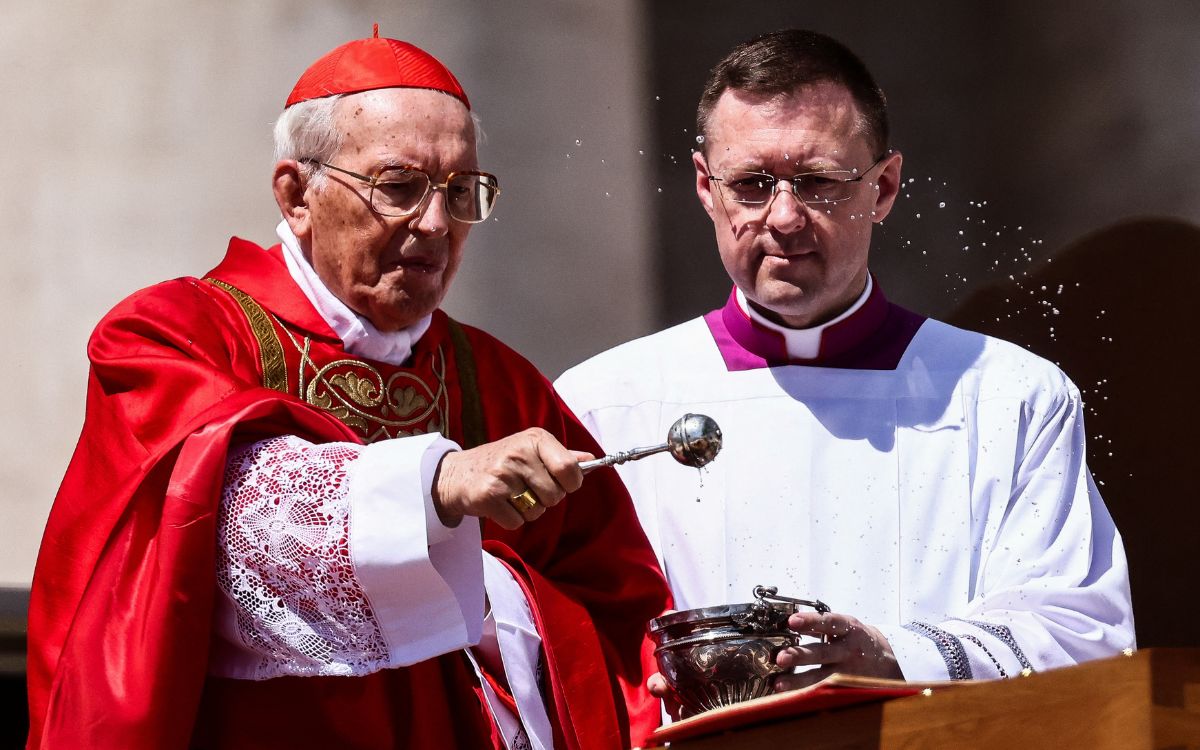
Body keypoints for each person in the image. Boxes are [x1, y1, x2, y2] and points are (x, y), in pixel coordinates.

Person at [27, 32, 670, 749]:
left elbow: (614, 607)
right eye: (399, 187)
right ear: (297, 194)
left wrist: (496, 603)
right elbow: (199, 534)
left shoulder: (497, 380)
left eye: (462, 193)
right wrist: (434, 488)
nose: (435, 223)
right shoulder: (174, 336)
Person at [555, 29, 1133, 697]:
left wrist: (894, 657)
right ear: (705, 187)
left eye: (818, 183)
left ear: (883, 187)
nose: (785, 217)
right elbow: (548, 644)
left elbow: (1081, 632)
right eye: (750, 183)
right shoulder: (605, 404)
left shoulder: (1010, 396)